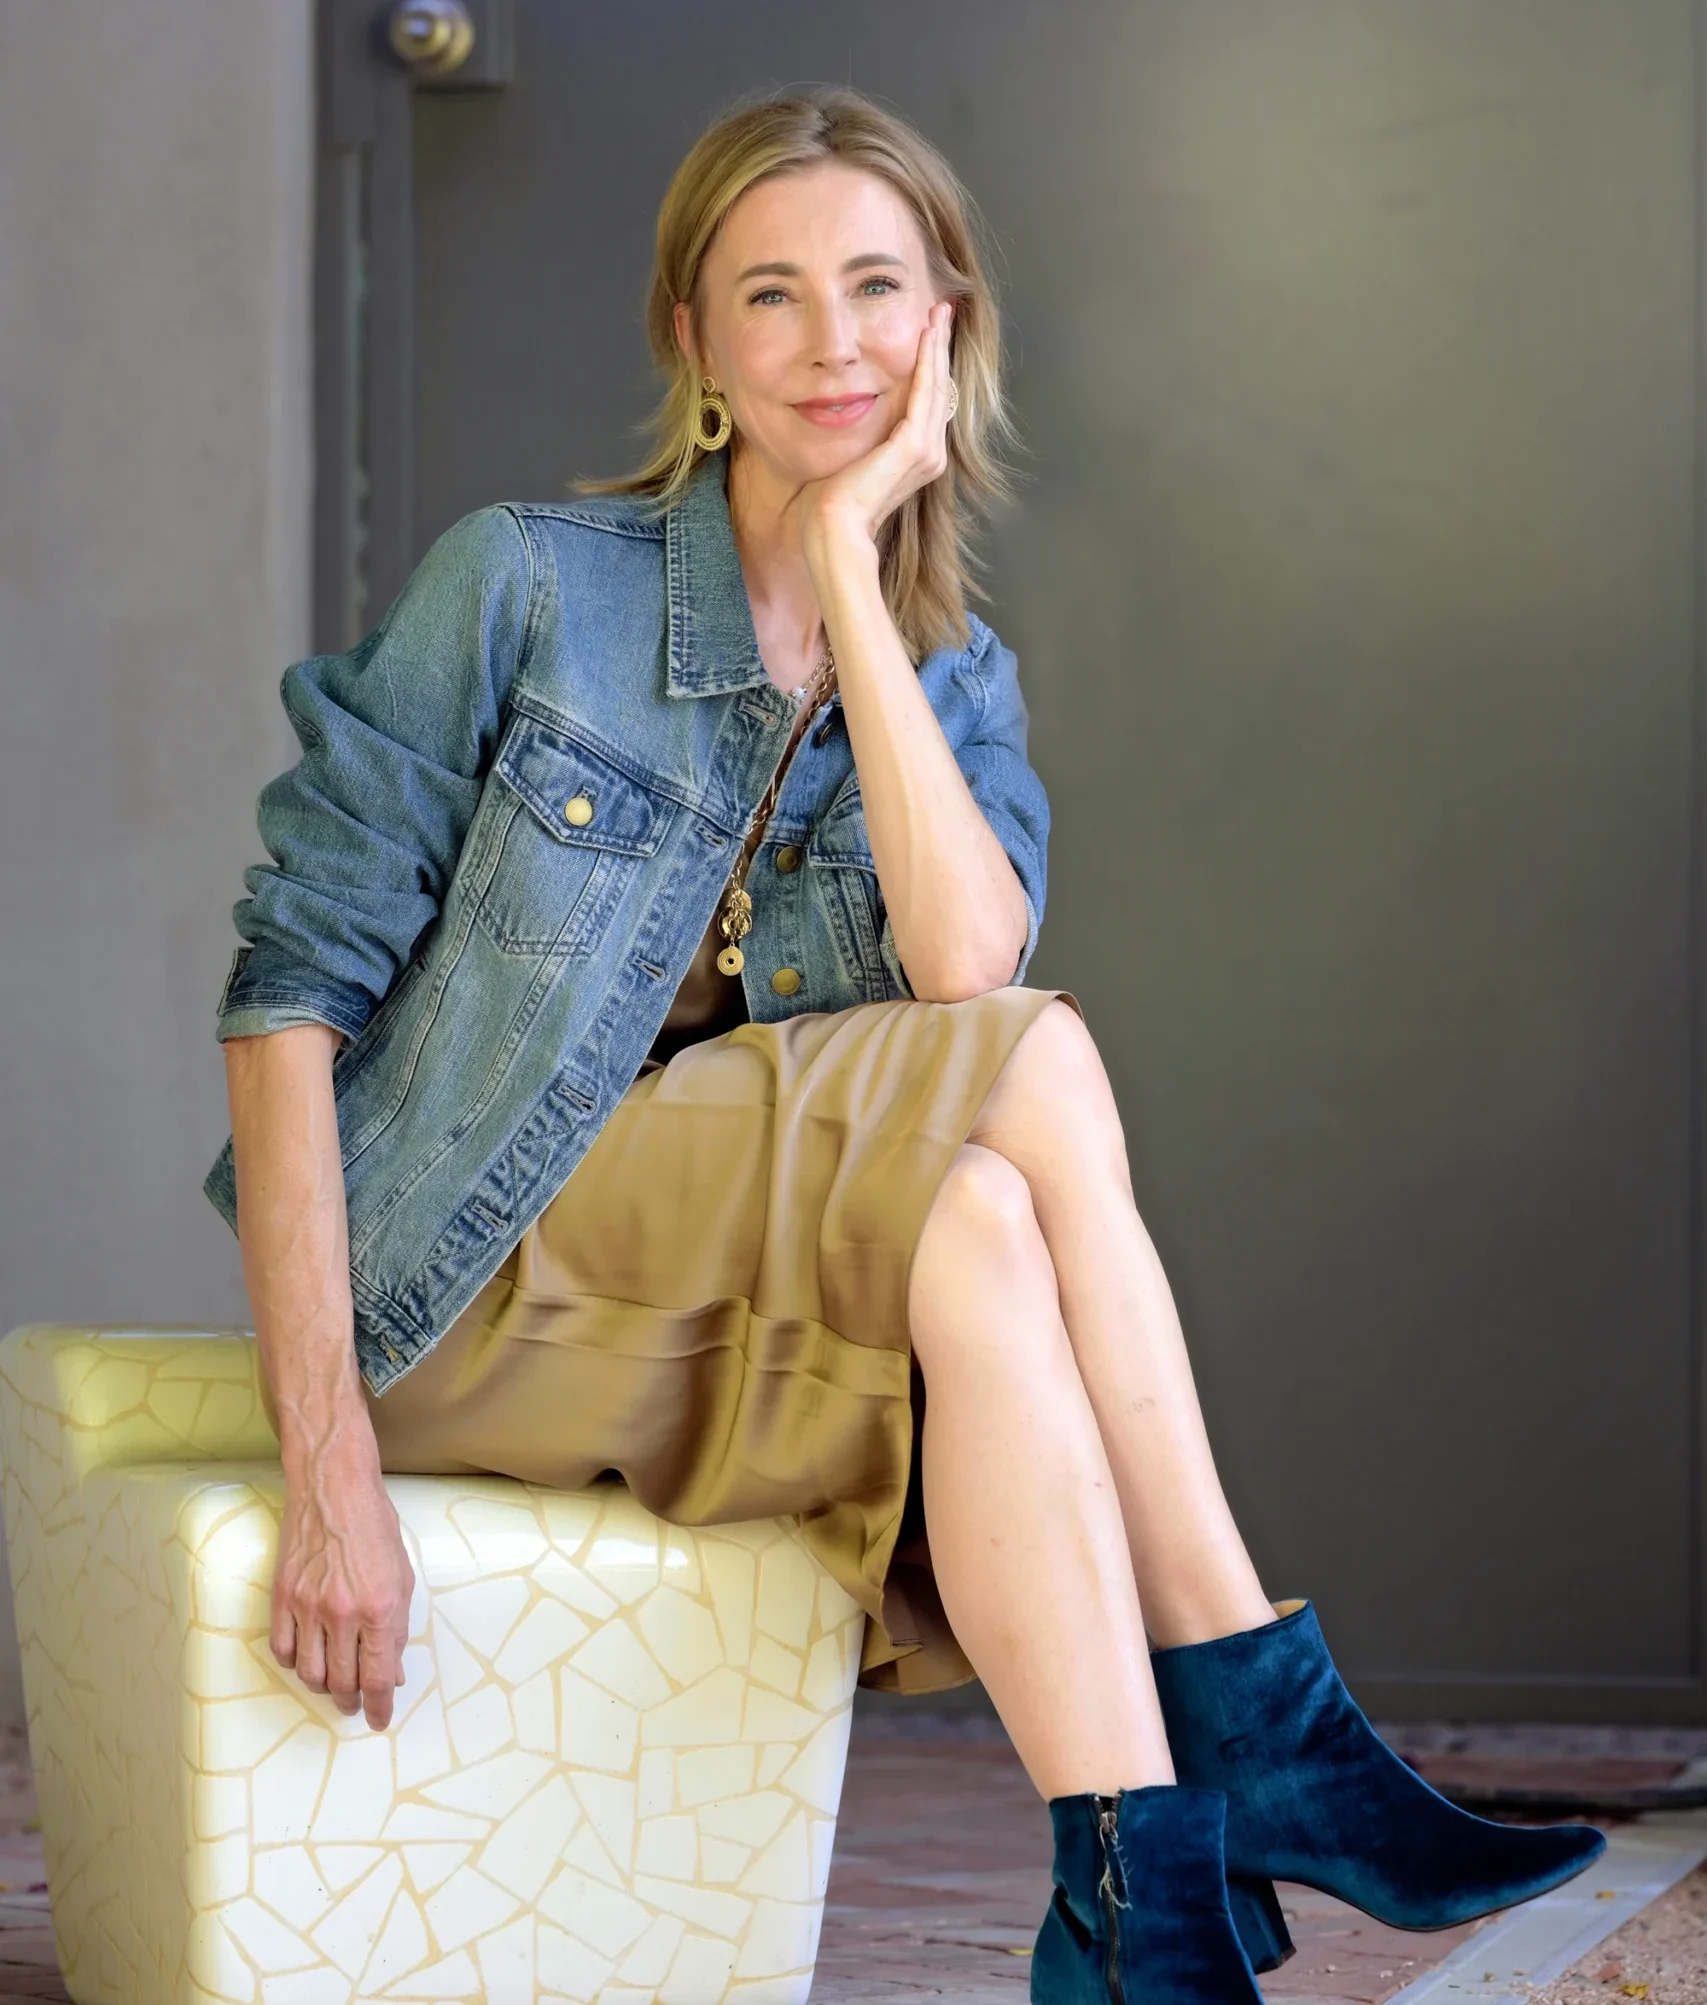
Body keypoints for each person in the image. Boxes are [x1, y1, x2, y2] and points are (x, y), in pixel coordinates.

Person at [209, 82, 1605, 2003]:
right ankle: (1266, 1718)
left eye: (876, 286)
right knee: (1025, 1070)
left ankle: (1135, 1913)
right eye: (768, 295)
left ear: (945, 322)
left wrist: (856, 583)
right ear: (692, 344)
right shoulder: (527, 582)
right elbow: (286, 1000)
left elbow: (955, 952)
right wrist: (326, 1456)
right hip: (469, 1282)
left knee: (973, 1221)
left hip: (708, 1307)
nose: (832, 341)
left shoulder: (953, 678)